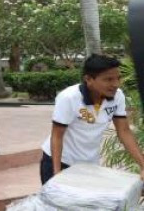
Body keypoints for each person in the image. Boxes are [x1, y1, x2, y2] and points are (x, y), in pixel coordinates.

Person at [41, 54, 144, 184]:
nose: (116, 84)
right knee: (59, 204)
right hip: (60, 161)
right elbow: (57, 136)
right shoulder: (69, 97)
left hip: (89, 164)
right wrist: (56, 173)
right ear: (88, 79)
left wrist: (142, 165)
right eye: (108, 79)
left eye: (118, 78)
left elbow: (124, 131)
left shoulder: (117, 96)